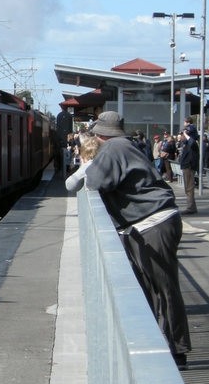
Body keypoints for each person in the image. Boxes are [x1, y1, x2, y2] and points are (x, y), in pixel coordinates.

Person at [84, 111, 191, 368]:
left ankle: (176, 352)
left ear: (100, 133)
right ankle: (160, 344)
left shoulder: (112, 148)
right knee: (154, 287)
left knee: (163, 288)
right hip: (152, 221)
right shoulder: (125, 145)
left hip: (152, 221)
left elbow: (94, 182)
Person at [178, 125, 199, 215]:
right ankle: (192, 207)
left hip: (189, 167)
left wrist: (186, 134)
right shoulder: (187, 142)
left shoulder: (193, 142)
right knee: (188, 188)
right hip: (186, 166)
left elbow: (192, 142)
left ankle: (190, 208)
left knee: (189, 189)